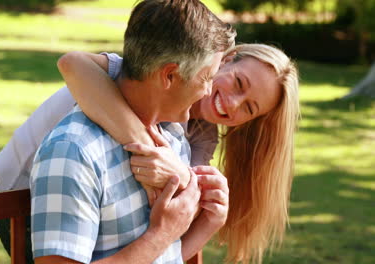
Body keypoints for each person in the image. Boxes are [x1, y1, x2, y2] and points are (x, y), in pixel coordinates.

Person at [29, 0, 235, 263]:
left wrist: (207, 216)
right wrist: (162, 234)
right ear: (169, 75)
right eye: (206, 78)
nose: (208, 91)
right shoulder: (74, 151)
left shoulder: (170, 135)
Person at [57, 43, 300, 264]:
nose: (233, 103)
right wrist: (153, 149)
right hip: (39, 206)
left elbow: (170, 236)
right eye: (238, 82)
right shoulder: (144, 79)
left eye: (248, 108)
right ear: (226, 60)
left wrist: (209, 220)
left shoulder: (201, 136)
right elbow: (72, 62)